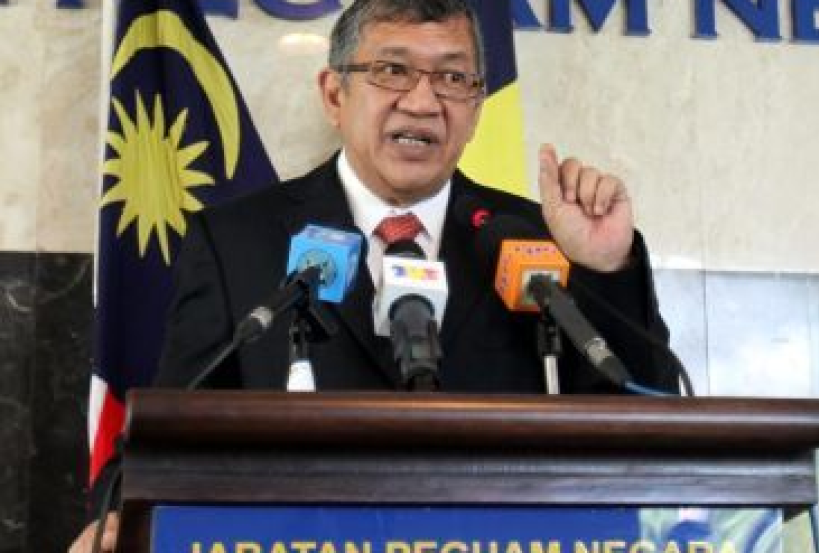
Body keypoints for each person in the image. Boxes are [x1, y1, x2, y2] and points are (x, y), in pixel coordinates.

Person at [70, 0, 677, 550]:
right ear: (334, 94)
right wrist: (120, 522)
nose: (422, 101)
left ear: (476, 108)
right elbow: (170, 438)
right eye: (392, 70)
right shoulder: (238, 243)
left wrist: (605, 266)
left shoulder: (538, 238)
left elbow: (647, 430)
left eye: (453, 78)